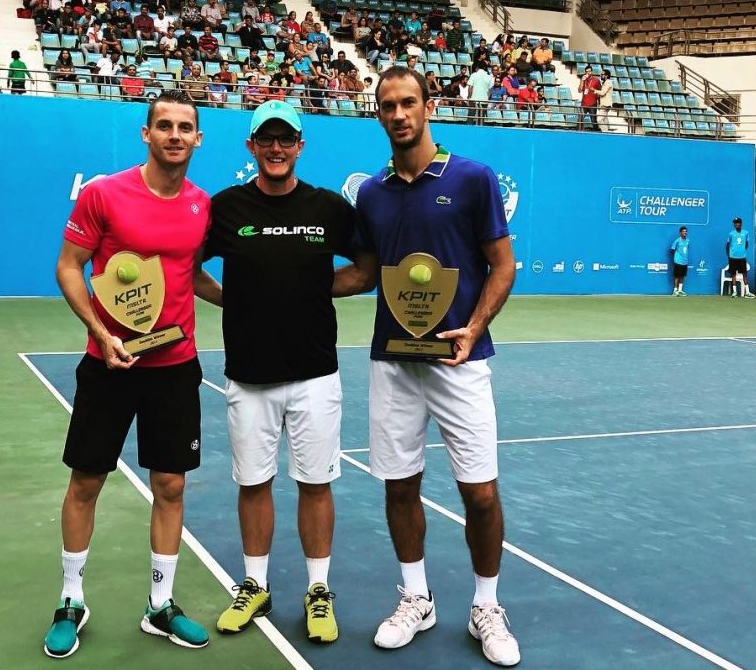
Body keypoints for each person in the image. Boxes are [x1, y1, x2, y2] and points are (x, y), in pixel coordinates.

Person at [333, 66, 520, 667]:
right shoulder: (372, 194)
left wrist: (476, 326)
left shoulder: (472, 178)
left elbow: (503, 265)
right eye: (387, 105)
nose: (398, 114)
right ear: (378, 114)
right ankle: (417, 597)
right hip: (393, 362)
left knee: (481, 493)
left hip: (461, 361)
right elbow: (363, 273)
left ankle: (486, 605)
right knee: (400, 484)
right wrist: (288, 284)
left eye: (408, 102)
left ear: (428, 106)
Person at [45, 93, 220, 659]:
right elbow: (69, 266)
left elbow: (191, 274)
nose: (174, 135)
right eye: (164, 125)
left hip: (176, 368)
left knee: (171, 486)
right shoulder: (104, 193)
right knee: (86, 481)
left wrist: (247, 302)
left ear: (198, 139)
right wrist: (101, 332)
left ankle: (160, 606)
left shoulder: (201, 204)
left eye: (185, 127)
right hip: (109, 365)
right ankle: (71, 600)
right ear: (147, 134)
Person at [206, 100, 353, 644]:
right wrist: (234, 299)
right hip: (249, 375)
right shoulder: (225, 208)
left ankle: (318, 590)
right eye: (265, 139)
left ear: (299, 146)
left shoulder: (329, 207)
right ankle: (255, 585)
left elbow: (365, 267)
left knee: (315, 484)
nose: (275, 148)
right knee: (253, 483)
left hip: (315, 374)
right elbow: (188, 268)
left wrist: (315, 289)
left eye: (285, 139)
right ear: (251, 146)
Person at [726, 217, 754, 298]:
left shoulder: (746, 233)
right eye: (735, 223)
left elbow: (746, 244)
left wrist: (742, 251)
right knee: (733, 274)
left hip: (742, 257)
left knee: (744, 274)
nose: (736, 224)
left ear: (741, 224)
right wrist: (729, 255)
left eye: (738, 222)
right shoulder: (731, 234)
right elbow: (727, 245)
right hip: (733, 257)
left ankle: (747, 292)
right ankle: (734, 292)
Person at [578, 65, 601, 131]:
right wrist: (582, 80)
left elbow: (600, 91)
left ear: (592, 72)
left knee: (593, 120)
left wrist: (599, 102)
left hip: (593, 103)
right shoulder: (583, 79)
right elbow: (579, 90)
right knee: (580, 119)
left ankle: (596, 133)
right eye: (587, 71)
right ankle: (578, 132)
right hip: (584, 103)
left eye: (589, 71)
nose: (588, 73)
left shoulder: (596, 80)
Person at [670, 226, 690, 296]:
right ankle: (675, 291)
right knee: (677, 276)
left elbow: (687, 249)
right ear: (680, 233)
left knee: (682, 276)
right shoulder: (677, 241)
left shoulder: (688, 241)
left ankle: (680, 290)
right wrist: (677, 257)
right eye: (683, 231)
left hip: (685, 262)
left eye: (686, 231)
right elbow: (672, 250)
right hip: (678, 261)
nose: (685, 233)